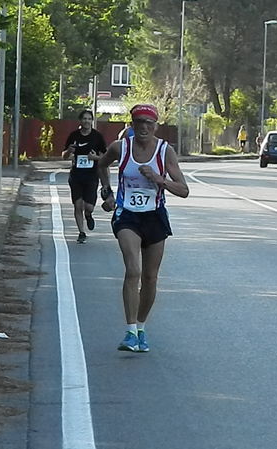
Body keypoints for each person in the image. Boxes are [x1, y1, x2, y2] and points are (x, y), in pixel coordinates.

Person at [97, 104, 189, 352]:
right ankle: (129, 333)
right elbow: (102, 165)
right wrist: (107, 193)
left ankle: (140, 328)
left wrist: (160, 180)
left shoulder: (164, 151)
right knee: (133, 270)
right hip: (127, 215)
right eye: (139, 123)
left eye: (149, 123)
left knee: (150, 277)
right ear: (132, 125)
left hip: (155, 217)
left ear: (156, 126)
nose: (144, 127)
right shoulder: (121, 148)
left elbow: (184, 190)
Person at [62, 110, 107, 243]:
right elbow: (64, 155)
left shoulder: (97, 137)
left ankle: (88, 215)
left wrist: (95, 158)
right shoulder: (74, 136)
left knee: (88, 207)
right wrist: (69, 151)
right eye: (84, 119)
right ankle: (81, 232)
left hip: (91, 176)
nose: (87, 121)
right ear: (80, 121)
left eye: (89, 119)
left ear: (92, 121)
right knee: (78, 205)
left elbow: (106, 157)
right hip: (76, 175)